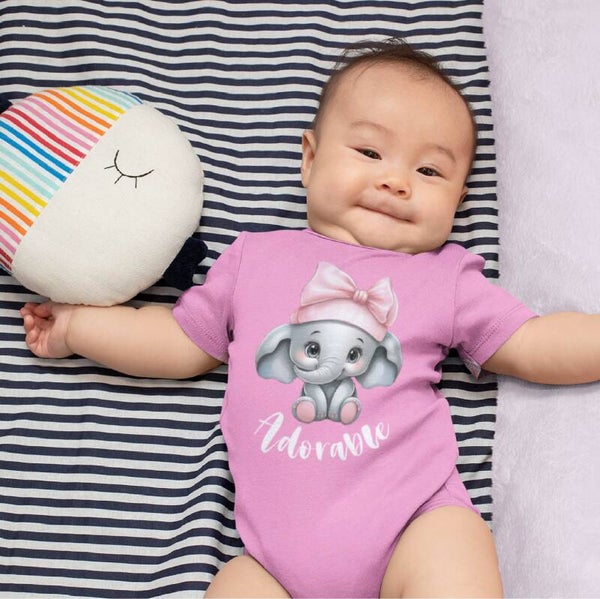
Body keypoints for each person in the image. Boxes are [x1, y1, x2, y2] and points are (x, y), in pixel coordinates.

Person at [20, 37, 600, 598]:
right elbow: (178, 339)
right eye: (369, 152)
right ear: (310, 158)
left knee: (456, 551)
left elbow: (532, 341)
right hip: (272, 564)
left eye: (429, 172)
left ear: (459, 200)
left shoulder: (444, 277)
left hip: (412, 523)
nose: (395, 180)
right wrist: (79, 329)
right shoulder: (253, 259)